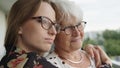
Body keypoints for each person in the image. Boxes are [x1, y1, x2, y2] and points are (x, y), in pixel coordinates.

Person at [46, 0, 112, 68]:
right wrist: (108, 64)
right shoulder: (48, 65)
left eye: (79, 24)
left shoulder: (94, 55)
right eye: (68, 27)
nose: (77, 33)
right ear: (54, 33)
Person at [0, 0, 59, 68]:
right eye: (44, 21)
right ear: (19, 25)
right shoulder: (34, 62)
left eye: (55, 25)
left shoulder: (4, 61)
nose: (54, 32)